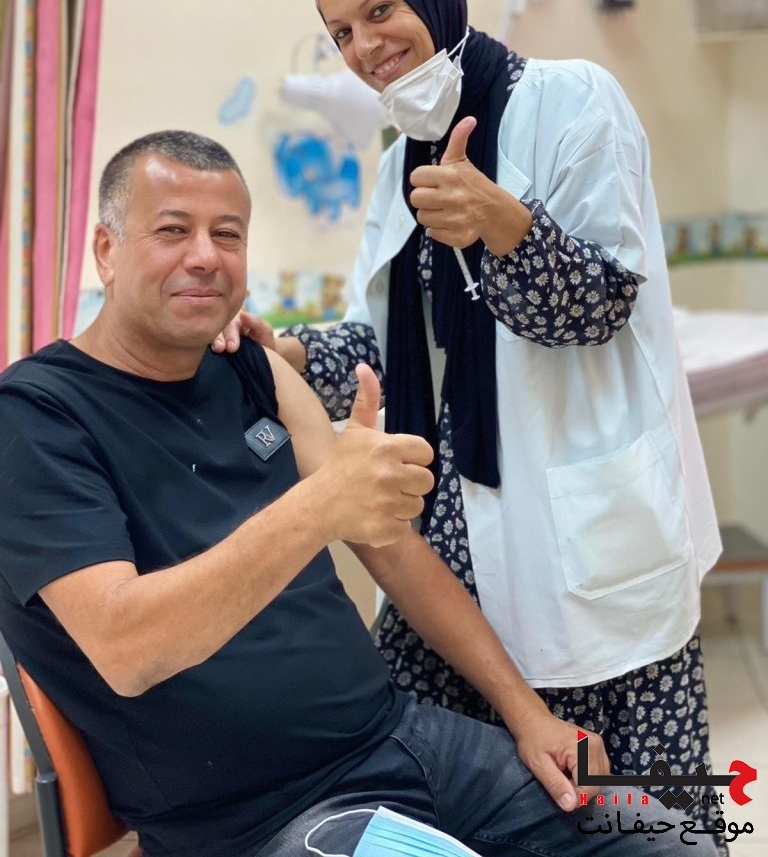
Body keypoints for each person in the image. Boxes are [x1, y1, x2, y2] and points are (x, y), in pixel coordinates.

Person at [0, 130, 709, 857]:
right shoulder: (37, 417)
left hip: (403, 740)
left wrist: (528, 715)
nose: (205, 256)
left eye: (228, 234)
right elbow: (126, 649)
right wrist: (318, 507)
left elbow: (395, 553)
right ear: (107, 250)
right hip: (254, 819)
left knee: (676, 840)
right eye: (173, 231)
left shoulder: (251, 369)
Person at [216, 0, 725, 847]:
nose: (365, 47)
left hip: (580, 541)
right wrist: (291, 354)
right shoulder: (395, 171)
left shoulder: (574, 100)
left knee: (634, 819)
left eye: (380, 11)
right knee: (472, 813)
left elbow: (603, 306)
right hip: (449, 554)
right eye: (342, 33)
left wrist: (505, 224)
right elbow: (384, 347)